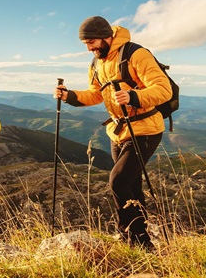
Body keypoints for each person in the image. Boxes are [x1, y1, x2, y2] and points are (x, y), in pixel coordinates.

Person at [54, 16, 172, 249]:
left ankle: (132, 238)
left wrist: (134, 96)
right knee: (131, 185)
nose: (89, 48)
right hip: (118, 130)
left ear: (107, 36)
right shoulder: (97, 63)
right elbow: (96, 94)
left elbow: (163, 89)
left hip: (145, 128)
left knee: (118, 181)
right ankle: (140, 238)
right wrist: (70, 96)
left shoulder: (135, 54)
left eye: (92, 42)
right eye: (86, 44)